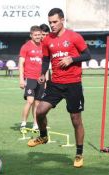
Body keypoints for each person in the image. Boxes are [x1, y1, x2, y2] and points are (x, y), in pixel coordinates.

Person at [27, 8, 91, 168]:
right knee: (40, 111)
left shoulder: (74, 37)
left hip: (73, 84)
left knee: (76, 120)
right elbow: (46, 59)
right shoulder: (47, 39)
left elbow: (88, 55)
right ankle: (43, 136)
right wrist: (42, 73)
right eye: (50, 22)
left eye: (55, 22)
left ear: (62, 20)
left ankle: (79, 154)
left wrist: (72, 59)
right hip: (55, 84)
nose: (52, 25)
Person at [19, 26, 45, 131]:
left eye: (39, 35)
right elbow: (21, 63)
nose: (38, 37)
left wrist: (45, 78)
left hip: (41, 79)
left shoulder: (43, 46)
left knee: (37, 103)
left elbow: (46, 64)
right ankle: (23, 123)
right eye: (35, 35)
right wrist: (21, 79)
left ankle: (35, 124)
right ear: (31, 35)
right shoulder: (26, 47)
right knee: (30, 101)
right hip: (30, 77)